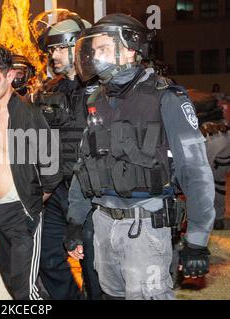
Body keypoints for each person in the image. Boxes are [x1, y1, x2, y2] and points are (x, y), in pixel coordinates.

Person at [68, 13, 215, 299]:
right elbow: (86, 163)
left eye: (104, 49)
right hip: (103, 224)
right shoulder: (96, 99)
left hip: (146, 227)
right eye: (94, 50)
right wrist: (75, 220)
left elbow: (196, 171)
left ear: (132, 50)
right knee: (109, 295)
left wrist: (197, 240)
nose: (96, 56)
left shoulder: (166, 97)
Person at [0, 41, 62, 300]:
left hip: (20, 211)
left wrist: (31, 203)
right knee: (16, 285)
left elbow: (52, 168)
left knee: (25, 292)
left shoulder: (27, 114)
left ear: (10, 76)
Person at [30, 9, 101, 300]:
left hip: (90, 192)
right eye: (51, 49)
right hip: (55, 191)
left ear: (78, 46)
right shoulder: (48, 91)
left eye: (59, 47)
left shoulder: (104, 89)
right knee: (46, 259)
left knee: (94, 268)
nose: (54, 54)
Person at [190, 89, 230, 230]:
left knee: (208, 186)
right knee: (216, 185)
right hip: (220, 158)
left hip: (216, 159)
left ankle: (209, 217)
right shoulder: (219, 123)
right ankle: (216, 217)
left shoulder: (210, 129)